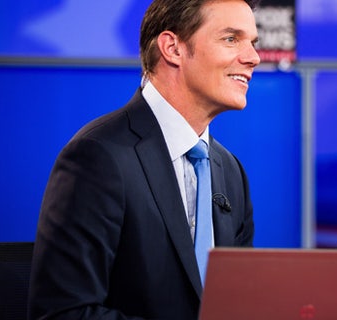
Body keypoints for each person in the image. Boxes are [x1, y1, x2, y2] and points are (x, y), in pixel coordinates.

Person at [28, 0, 260, 319]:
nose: (253, 58)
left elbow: (237, 304)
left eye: (253, 42)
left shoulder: (231, 171)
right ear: (172, 48)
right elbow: (63, 313)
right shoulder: (98, 156)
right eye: (231, 39)